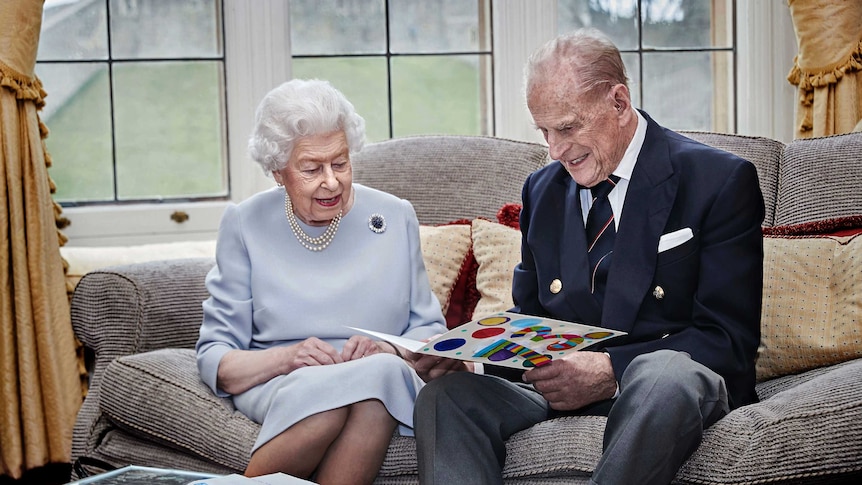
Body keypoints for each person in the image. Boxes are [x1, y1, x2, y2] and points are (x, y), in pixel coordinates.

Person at [410, 28, 764, 485]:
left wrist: (611, 370)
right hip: (558, 391)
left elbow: (728, 341)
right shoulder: (542, 190)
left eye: (568, 127)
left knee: (664, 375)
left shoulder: (718, 179)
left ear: (618, 102)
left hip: (665, 389)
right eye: (544, 131)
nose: (555, 151)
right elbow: (532, 319)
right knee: (446, 397)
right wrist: (472, 359)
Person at [195, 79, 447, 485]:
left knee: (376, 382)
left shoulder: (394, 215)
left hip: (379, 372)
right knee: (345, 398)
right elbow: (217, 358)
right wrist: (288, 357)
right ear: (278, 172)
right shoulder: (245, 223)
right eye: (311, 169)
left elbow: (430, 331)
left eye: (341, 163)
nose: (331, 181)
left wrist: (386, 347)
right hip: (282, 378)